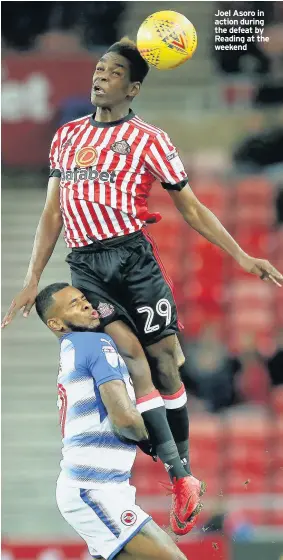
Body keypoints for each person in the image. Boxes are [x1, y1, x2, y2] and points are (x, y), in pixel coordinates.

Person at [2, 37, 282, 533]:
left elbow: (190, 207)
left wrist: (241, 255)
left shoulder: (151, 139)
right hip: (87, 265)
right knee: (130, 355)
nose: (99, 77)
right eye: (97, 69)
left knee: (167, 363)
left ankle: (184, 472)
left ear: (132, 88)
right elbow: (52, 213)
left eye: (111, 72)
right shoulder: (65, 136)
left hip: (134, 261)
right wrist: (31, 280)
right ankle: (179, 477)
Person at [35, 282, 187, 560]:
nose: (85, 304)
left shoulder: (75, 348)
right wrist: (165, 440)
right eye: (73, 304)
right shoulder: (96, 342)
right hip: (94, 486)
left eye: (83, 299)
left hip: (101, 486)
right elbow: (125, 419)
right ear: (56, 323)